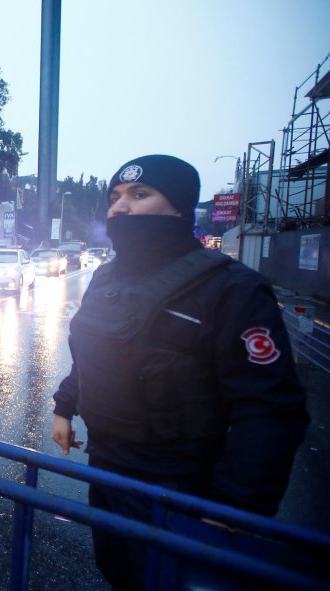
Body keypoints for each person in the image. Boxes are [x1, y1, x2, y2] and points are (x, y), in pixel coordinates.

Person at [50, 155, 309, 590]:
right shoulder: (106, 278)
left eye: (140, 194)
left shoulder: (231, 289)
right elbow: (96, 353)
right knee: (120, 573)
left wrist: (236, 506)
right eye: (115, 197)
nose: (120, 207)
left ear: (179, 208)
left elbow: (270, 408)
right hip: (107, 468)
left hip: (184, 485)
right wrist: (65, 406)